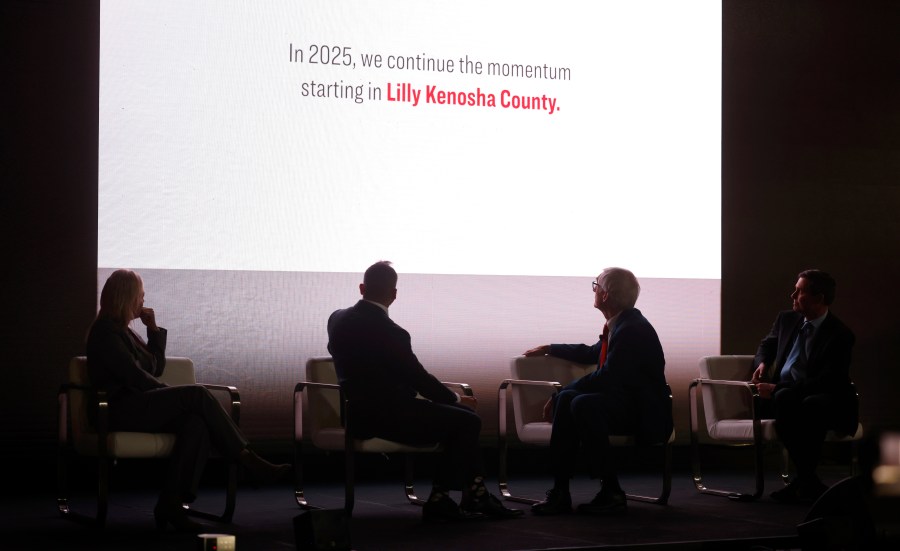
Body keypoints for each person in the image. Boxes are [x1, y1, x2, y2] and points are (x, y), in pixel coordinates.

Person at [86, 269, 291, 532]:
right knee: (195, 394)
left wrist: (154, 330)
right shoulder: (105, 332)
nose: (143, 302)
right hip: (116, 409)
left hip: (136, 405)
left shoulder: (126, 332)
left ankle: (171, 503)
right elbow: (134, 376)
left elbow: (155, 367)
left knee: (195, 423)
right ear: (126, 297)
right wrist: (170, 393)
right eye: (140, 296)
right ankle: (247, 459)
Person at [326, 261, 523, 522]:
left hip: (357, 416)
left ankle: (472, 492)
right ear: (394, 294)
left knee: (461, 418)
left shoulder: (337, 318)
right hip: (389, 417)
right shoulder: (392, 332)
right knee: (467, 421)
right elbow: (417, 377)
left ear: (362, 288)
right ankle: (446, 496)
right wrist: (456, 397)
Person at [524, 267, 671, 516]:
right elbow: (594, 352)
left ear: (605, 295)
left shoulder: (632, 329)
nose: (594, 290)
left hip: (643, 412)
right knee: (572, 399)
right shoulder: (622, 323)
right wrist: (552, 348)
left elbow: (608, 374)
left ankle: (611, 490)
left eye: (596, 286)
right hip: (625, 403)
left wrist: (556, 394)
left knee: (580, 402)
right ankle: (561, 490)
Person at [751, 269, 857, 504]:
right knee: (786, 397)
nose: (792, 295)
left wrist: (775, 389)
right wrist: (763, 363)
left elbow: (828, 381)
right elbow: (766, 345)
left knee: (807, 403)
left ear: (818, 298)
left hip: (823, 396)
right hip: (787, 395)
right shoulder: (786, 319)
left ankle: (803, 480)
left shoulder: (840, 335)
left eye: (799, 291)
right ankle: (808, 480)